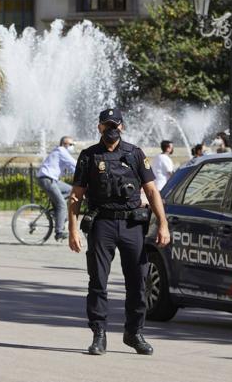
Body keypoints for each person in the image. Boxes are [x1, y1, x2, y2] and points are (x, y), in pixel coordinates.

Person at [68, 108, 170, 357]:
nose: (112, 129)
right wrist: (73, 229)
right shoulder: (89, 156)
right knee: (98, 282)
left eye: (116, 124)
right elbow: (76, 195)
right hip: (102, 224)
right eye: (107, 124)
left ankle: (134, 333)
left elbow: (152, 191)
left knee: (138, 281)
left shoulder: (134, 154)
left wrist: (163, 224)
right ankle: (99, 334)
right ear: (99, 127)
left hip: (132, 225)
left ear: (122, 127)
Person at [36, 135, 77, 240]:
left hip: (52, 180)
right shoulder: (61, 151)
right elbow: (75, 164)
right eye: (71, 144)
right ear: (64, 144)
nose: (73, 146)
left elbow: (73, 169)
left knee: (71, 190)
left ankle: (56, 213)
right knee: (62, 204)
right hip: (47, 179)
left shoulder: (62, 153)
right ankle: (59, 232)